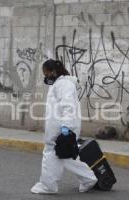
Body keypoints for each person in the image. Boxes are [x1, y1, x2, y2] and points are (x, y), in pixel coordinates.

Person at [31, 59, 97, 194]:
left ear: (53, 72)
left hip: (61, 129)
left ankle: (48, 186)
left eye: (46, 73)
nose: (45, 77)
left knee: (51, 154)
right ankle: (89, 179)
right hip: (61, 128)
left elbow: (68, 107)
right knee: (66, 156)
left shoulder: (64, 85)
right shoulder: (59, 84)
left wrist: (66, 127)